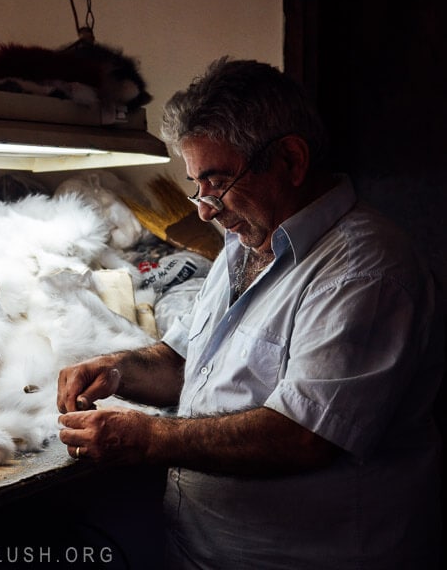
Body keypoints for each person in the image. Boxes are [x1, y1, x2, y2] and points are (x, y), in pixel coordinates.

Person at [57, 57, 444, 569]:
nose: (203, 209)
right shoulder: (247, 242)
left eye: (215, 182)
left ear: (289, 159)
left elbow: (303, 437)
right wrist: (116, 371)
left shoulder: (364, 270)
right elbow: (184, 365)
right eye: (196, 184)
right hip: (203, 551)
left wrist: (150, 438)